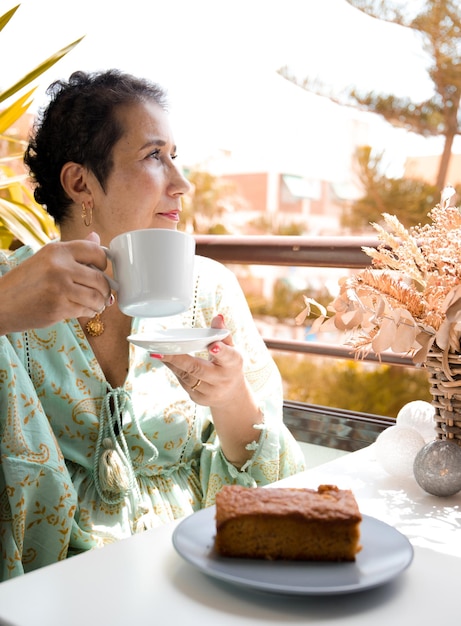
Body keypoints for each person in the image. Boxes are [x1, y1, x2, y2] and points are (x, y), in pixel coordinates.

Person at [0, 69, 305, 580]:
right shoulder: (11, 289)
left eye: (174, 157)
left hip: (196, 568)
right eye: (153, 156)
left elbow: (274, 483)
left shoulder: (209, 290)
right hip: (50, 585)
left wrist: (230, 397)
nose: (182, 184)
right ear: (79, 183)